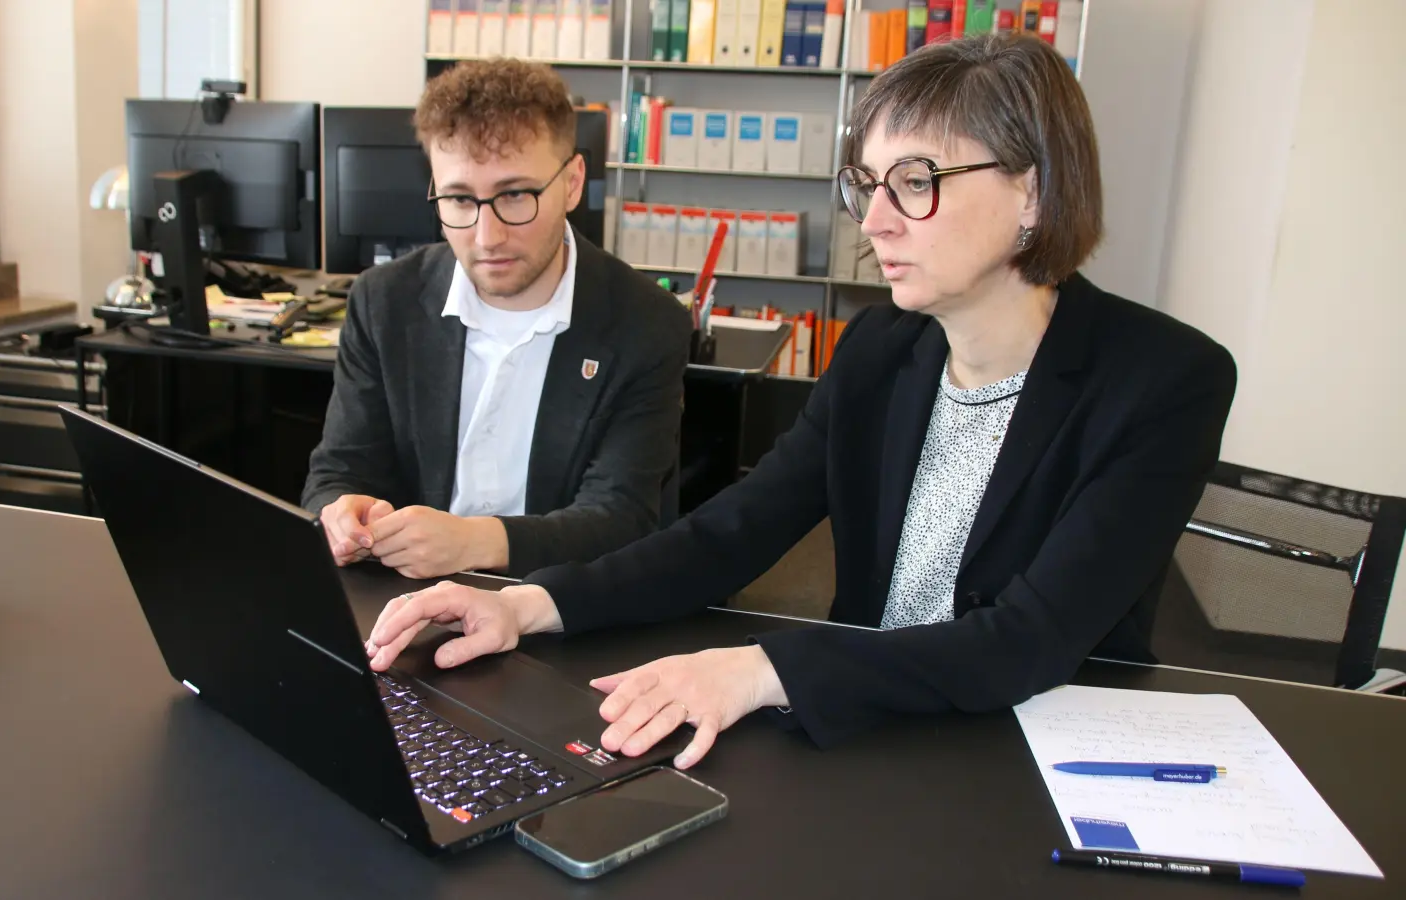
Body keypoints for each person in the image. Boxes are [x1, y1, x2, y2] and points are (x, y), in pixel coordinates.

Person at [363, 34, 1237, 770]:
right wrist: (526, 603)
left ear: (1034, 192)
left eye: (917, 181)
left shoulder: (1162, 380)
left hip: (1035, 753)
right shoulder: (881, 352)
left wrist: (758, 669)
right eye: (869, 185)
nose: (878, 222)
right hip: (865, 725)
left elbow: (1028, 641)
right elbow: (730, 531)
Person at [302, 59, 691, 580]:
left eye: (515, 195)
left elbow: (621, 518)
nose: (487, 237)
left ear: (573, 183)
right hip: (408, 598)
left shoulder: (647, 323)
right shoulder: (383, 301)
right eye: (460, 199)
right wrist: (343, 511)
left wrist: (472, 541)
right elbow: (339, 469)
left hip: (555, 604)